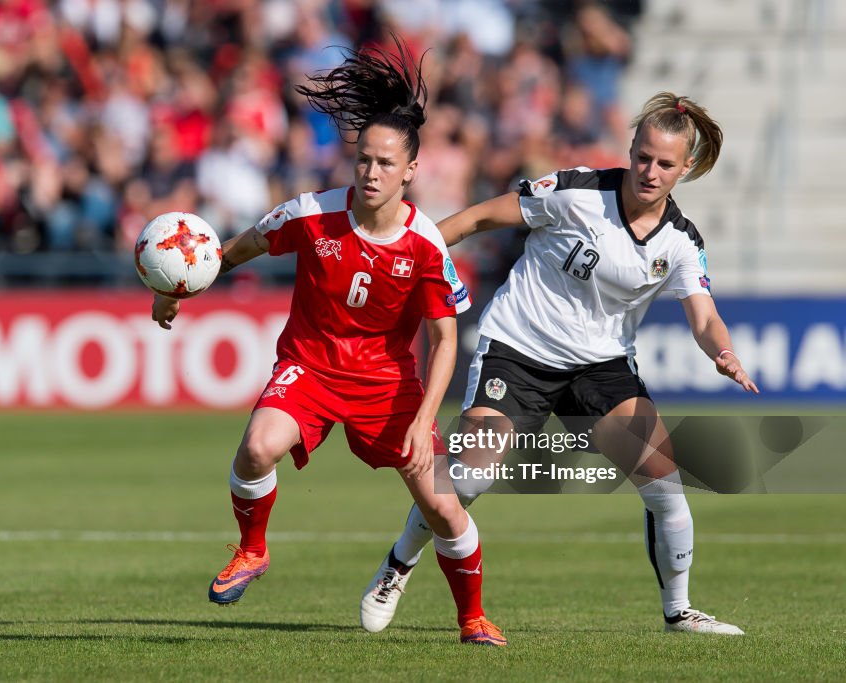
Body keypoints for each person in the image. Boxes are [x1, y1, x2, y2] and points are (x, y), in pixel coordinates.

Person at [359, 92, 758, 637]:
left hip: (601, 365)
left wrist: (724, 353)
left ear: (685, 168)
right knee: (469, 480)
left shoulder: (682, 242)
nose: (649, 171)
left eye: (665, 163)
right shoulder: (575, 191)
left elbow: (705, 318)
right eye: (643, 156)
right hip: (518, 348)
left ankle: (679, 611)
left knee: (665, 486)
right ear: (632, 148)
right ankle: (397, 565)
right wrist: (405, 257)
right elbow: (476, 219)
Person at [151, 37, 506, 646]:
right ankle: (252, 549)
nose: (371, 172)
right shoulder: (310, 214)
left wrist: (424, 419)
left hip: (388, 385)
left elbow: (446, 340)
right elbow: (237, 250)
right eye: (364, 159)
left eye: (386, 164)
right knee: (257, 448)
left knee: (447, 509)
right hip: (310, 368)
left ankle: (472, 618)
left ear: (411, 170)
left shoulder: (426, 245)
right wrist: (179, 289)